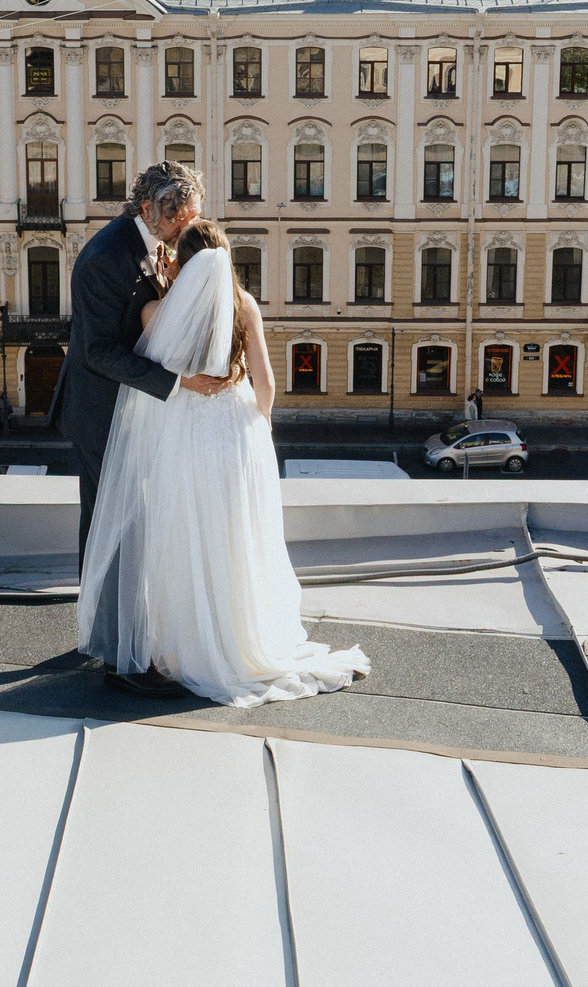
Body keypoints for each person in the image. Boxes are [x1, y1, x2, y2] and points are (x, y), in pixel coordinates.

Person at [78, 219, 368, 707]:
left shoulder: (154, 311)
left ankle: (189, 643)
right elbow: (266, 383)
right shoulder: (245, 305)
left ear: (182, 262)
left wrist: (169, 284)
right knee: (237, 536)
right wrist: (263, 426)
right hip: (237, 433)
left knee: (185, 537)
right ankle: (240, 638)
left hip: (184, 435)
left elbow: (149, 376)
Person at [57, 161, 234, 696]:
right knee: (121, 526)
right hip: (100, 413)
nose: (185, 231)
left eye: (191, 218)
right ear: (149, 208)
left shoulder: (149, 242)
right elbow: (98, 352)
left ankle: (104, 634)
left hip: (129, 412)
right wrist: (179, 383)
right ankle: (123, 665)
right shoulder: (104, 258)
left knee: (115, 524)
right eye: (179, 219)